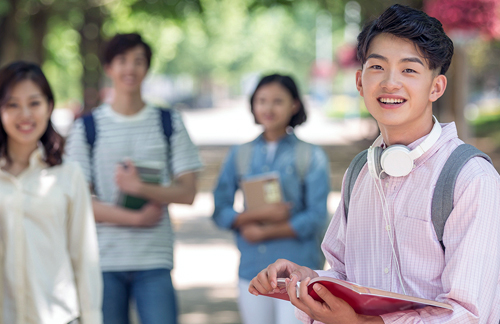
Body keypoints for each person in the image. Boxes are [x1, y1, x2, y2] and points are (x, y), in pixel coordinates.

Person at [249, 5, 500, 324]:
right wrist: (306, 280)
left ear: (436, 87)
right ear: (359, 80)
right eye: (378, 67)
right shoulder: (359, 172)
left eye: (409, 70)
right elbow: (344, 273)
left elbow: (468, 313)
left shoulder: (471, 179)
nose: (390, 83)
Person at [65, 33, 203, 324]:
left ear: (147, 68)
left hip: (155, 260)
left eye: (139, 61)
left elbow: (188, 192)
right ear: (108, 68)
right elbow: (79, 202)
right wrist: (137, 219)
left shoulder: (169, 122)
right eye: (122, 61)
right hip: (102, 261)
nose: (130, 69)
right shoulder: (86, 128)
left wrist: (140, 187)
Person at [212, 73, 330, 324]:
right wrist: (255, 217)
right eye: (262, 100)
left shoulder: (311, 155)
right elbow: (219, 210)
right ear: (253, 105)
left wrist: (265, 232)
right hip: (252, 270)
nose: (268, 107)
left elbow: (317, 217)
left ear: (294, 105)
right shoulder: (239, 154)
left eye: (278, 101)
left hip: (298, 273)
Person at [0, 61, 102, 324]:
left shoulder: (69, 175)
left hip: (57, 317)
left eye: (34, 103)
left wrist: (91, 318)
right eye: (12, 104)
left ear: (49, 107)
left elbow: (84, 257)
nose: (25, 114)